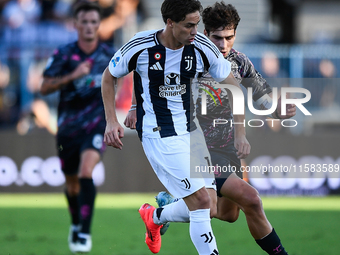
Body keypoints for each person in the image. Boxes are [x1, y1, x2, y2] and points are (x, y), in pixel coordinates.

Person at [145, 2, 296, 255]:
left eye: (229, 37)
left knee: (226, 214)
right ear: (205, 34)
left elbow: (262, 97)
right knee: (252, 200)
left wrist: (277, 110)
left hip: (227, 149)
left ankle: (161, 212)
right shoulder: (187, 57)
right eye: (217, 37)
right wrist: (135, 106)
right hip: (195, 146)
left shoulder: (240, 62)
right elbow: (150, 79)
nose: (224, 45)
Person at [101, 0, 249, 254]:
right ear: (170, 23)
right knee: (201, 202)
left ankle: (155, 217)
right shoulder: (141, 45)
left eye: (196, 25)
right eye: (189, 26)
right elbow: (109, 76)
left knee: (211, 206)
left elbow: (234, 86)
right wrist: (112, 120)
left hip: (192, 133)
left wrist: (241, 132)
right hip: (159, 133)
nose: (195, 31)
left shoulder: (201, 48)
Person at [40, 1, 114, 253]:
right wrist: (72, 76)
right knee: (71, 184)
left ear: (99, 25)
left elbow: (128, 77)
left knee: (86, 172)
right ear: (76, 25)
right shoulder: (63, 54)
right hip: (67, 128)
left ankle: (84, 232)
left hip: (95, 125)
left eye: (94, 22)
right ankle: (75, 222)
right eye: (85, 22)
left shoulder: (108, 55)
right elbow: (44, 87)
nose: (90, 26)